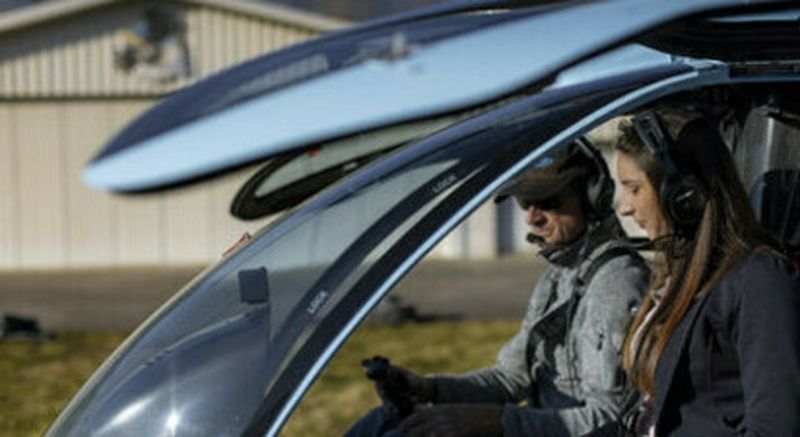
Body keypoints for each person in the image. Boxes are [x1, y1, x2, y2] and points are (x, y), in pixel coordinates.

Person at [346, 142, 650, 436]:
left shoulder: (616, 285)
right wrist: (430, 389)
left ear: (592, 196)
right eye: (524, 203)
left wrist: (495, 422)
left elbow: (610, 419)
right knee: (387, 418)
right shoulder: (558, 277)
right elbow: (511, 377)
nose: (532, 217)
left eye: (547, 201)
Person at [615, 113, 800, 436]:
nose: (624, 207)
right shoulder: (676, 275)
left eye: (633, 189)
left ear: (683, 194)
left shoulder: (758, 280)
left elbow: (775, 428)